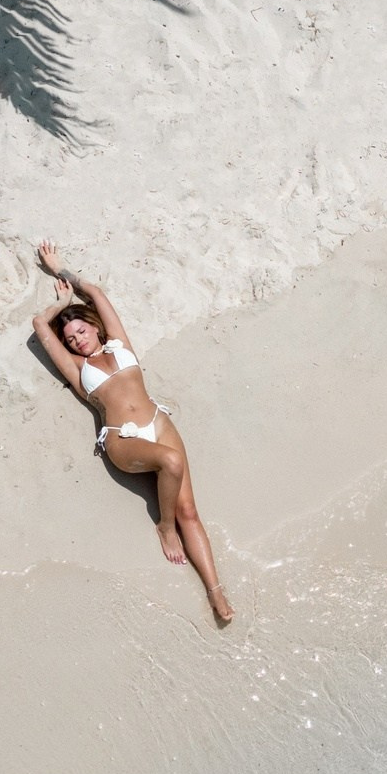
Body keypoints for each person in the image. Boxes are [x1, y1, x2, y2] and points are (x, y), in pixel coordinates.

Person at [30, 241, 234, 626]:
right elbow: (41, 326)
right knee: (171, 463)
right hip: (122, 440)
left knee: (191, 509)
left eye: (81, 332)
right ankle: (164, 526)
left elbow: (95, 293)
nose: (77, 340)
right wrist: (58, 308)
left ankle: (216, 592)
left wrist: (62, 271)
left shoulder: (120, 344)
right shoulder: (79, 369)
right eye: (71, 339)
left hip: (159, 422)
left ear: (94, 326)